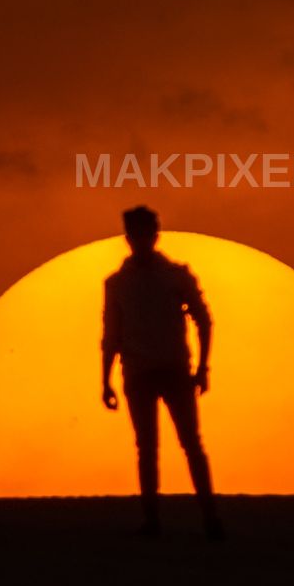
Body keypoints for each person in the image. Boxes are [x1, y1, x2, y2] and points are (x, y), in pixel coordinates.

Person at [101, 206, 225, 540]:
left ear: (153, 235)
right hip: (141, 373)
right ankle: (155, 521)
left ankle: (209, 519)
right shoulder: (118, 283)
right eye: (137, 234)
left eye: (146, 233)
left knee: (189, 445)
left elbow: (204, 320)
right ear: (129, 238)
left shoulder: (175, 275)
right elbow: (110, 335)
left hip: (172, 371)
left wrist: (202, 368)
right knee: (150, 448)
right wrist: (105, 381)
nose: (142, 240)